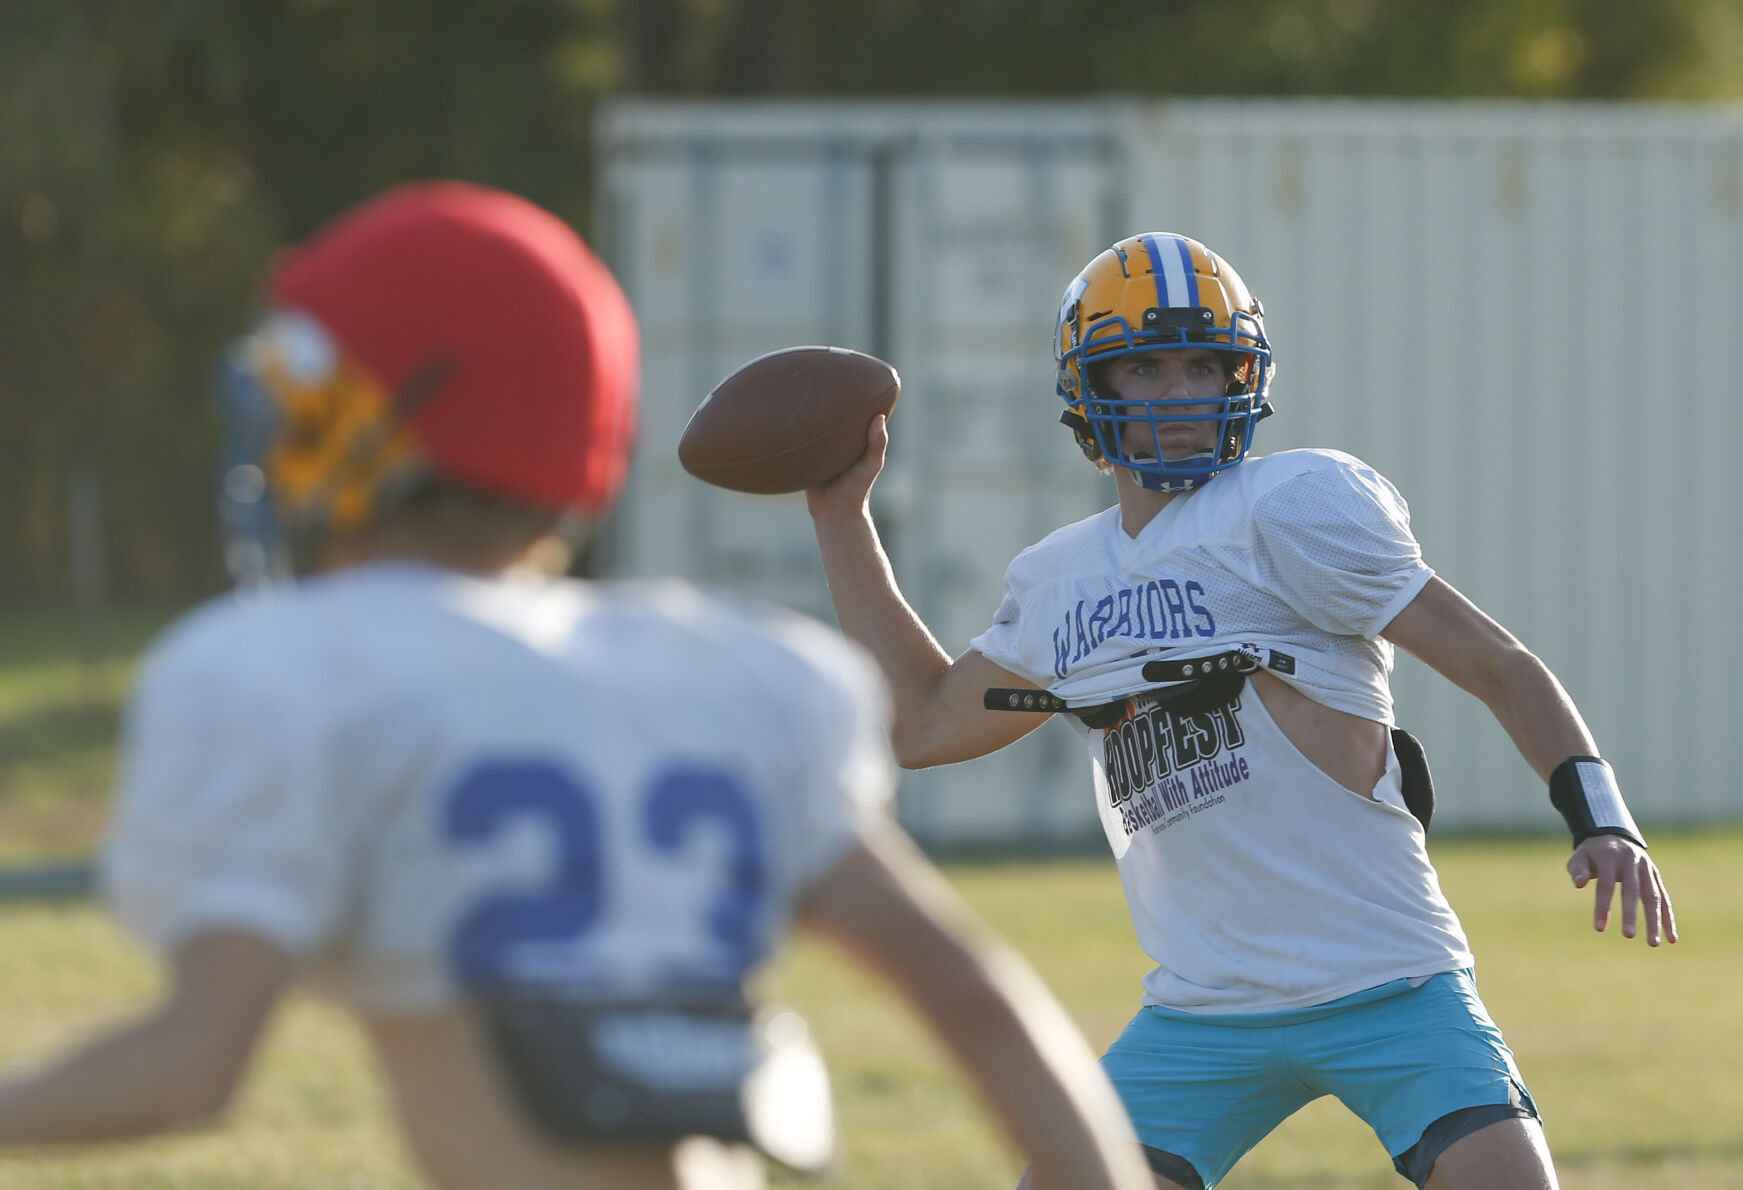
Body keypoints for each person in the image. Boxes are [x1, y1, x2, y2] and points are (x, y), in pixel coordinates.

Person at [0, 182, 1156, 1190]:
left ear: (394, 421)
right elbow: (976, 1000)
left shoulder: (290, 673)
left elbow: (191, 1065)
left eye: (308, 391)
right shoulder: (730, 670)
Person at [804, 231, 1679, 1190]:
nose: (1180, 392)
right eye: (1144, 366)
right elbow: (920, 724)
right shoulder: (1059, 580)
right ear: (1091, 390)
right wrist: (840, 517)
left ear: (1244, 373)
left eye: (1203, 363)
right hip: (1200, 1013)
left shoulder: (1290, 506)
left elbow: (1499, 665)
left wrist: (1601, 820)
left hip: (1386, 982)